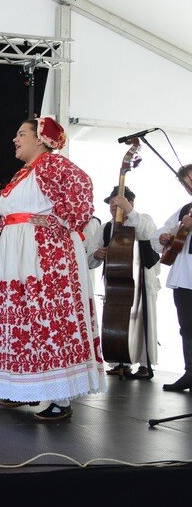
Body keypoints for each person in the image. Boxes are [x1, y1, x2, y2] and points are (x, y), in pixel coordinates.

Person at [0, 117, 105, 420]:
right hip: (18, 253)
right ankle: (25, 388)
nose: (15, 139)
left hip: (44, 253)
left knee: (46, 316)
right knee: (23, 318)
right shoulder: (23, 173)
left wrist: (60, 221)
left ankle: (59, 396)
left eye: (21, 134)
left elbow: (82, 186)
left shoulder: (52, 164)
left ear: (40, 138)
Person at [85, 186, 160, 379]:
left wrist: (129, 210)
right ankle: (121, 361)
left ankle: (145, 363)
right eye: (111, 202)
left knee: (144, 321)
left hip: (141, 281)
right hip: (116, 283)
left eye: (116, 202)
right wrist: (97, 253)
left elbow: (148, 235)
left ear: (130, 203)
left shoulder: (142, 219)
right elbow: (90, 257)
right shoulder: (105, 227)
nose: (113, 206)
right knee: (117, 320)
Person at [154, 164, 192, 392]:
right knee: (187, 327)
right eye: (186, 184)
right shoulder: (185, 210)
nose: (190, 187)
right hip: (184, 278)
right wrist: (165, 237)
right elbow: (159, 234)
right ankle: (190, 372)